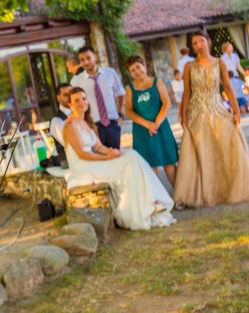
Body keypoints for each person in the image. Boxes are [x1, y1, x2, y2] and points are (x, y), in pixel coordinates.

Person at [62, 87, 176, 230]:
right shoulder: (70, 125)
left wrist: (113, 152)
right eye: (77, 100)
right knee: (129, 163)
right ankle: (148, 204)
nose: (82, 103)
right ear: (70, 105)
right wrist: (107, 159)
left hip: (91, 161)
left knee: (131, 155)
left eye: (84, 99)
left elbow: (98, 147)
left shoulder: (87, 123)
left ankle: (150, 202)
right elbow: (81, 154)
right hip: (83, 166)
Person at [174, 31, 249, 207]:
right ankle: (203, 193)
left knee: (229, 140)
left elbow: (228, 88)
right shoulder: (189, 67)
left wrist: (236, 111)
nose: (198, 45)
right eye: (195, 43)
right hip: (196, 111)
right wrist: (182, 115)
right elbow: (187, 92)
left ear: (208, 42)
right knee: (200, 150)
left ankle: (228, 188)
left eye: (201, 41)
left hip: (217, 107)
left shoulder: (219, 63)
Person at [124, 56, 178, 188]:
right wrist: (147, 124)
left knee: (169, 161)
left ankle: (179, 196)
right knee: (149, 164)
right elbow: (129, 111)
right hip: (142, 131)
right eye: (132, 70)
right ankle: (156, 199)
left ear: (144, 66)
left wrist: (156, 123)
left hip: (161, 127)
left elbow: (167, 103)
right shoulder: (130, 88)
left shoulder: (157, 82)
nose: (137, 71)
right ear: (130, 73)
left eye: (138, 67)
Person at [70, 46, 125, 149]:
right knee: (100, 160)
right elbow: (74, 104)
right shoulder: (76, 81)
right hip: (92, 126)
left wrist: (120, 114)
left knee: (116, 158)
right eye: (82, 60)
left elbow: (120, 93)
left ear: (95, 56)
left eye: (88, 58)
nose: (86, 62)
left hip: (112, 124)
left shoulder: (110, 73)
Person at [49, 82, 72, 167]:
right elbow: (69, 145)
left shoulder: (80, 113)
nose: (69, 98)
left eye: (71, 93)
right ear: (58, 98)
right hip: (68, 161)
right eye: (66, 95)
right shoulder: (57, 120)